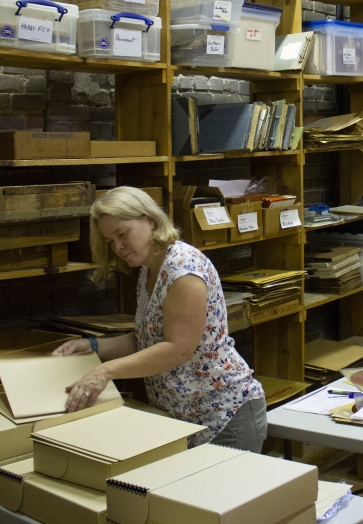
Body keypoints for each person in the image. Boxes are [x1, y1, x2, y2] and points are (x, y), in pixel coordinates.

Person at [53, 186, 267, 453]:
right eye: (110, 241)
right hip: (184, 417)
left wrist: (104, 371)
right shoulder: (149, 269)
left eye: (122, 234)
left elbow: (176, 349)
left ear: (150, 220)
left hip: (223, 415)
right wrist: (94, 346)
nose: (118, 247)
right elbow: (148, 341)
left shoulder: (182, 270)